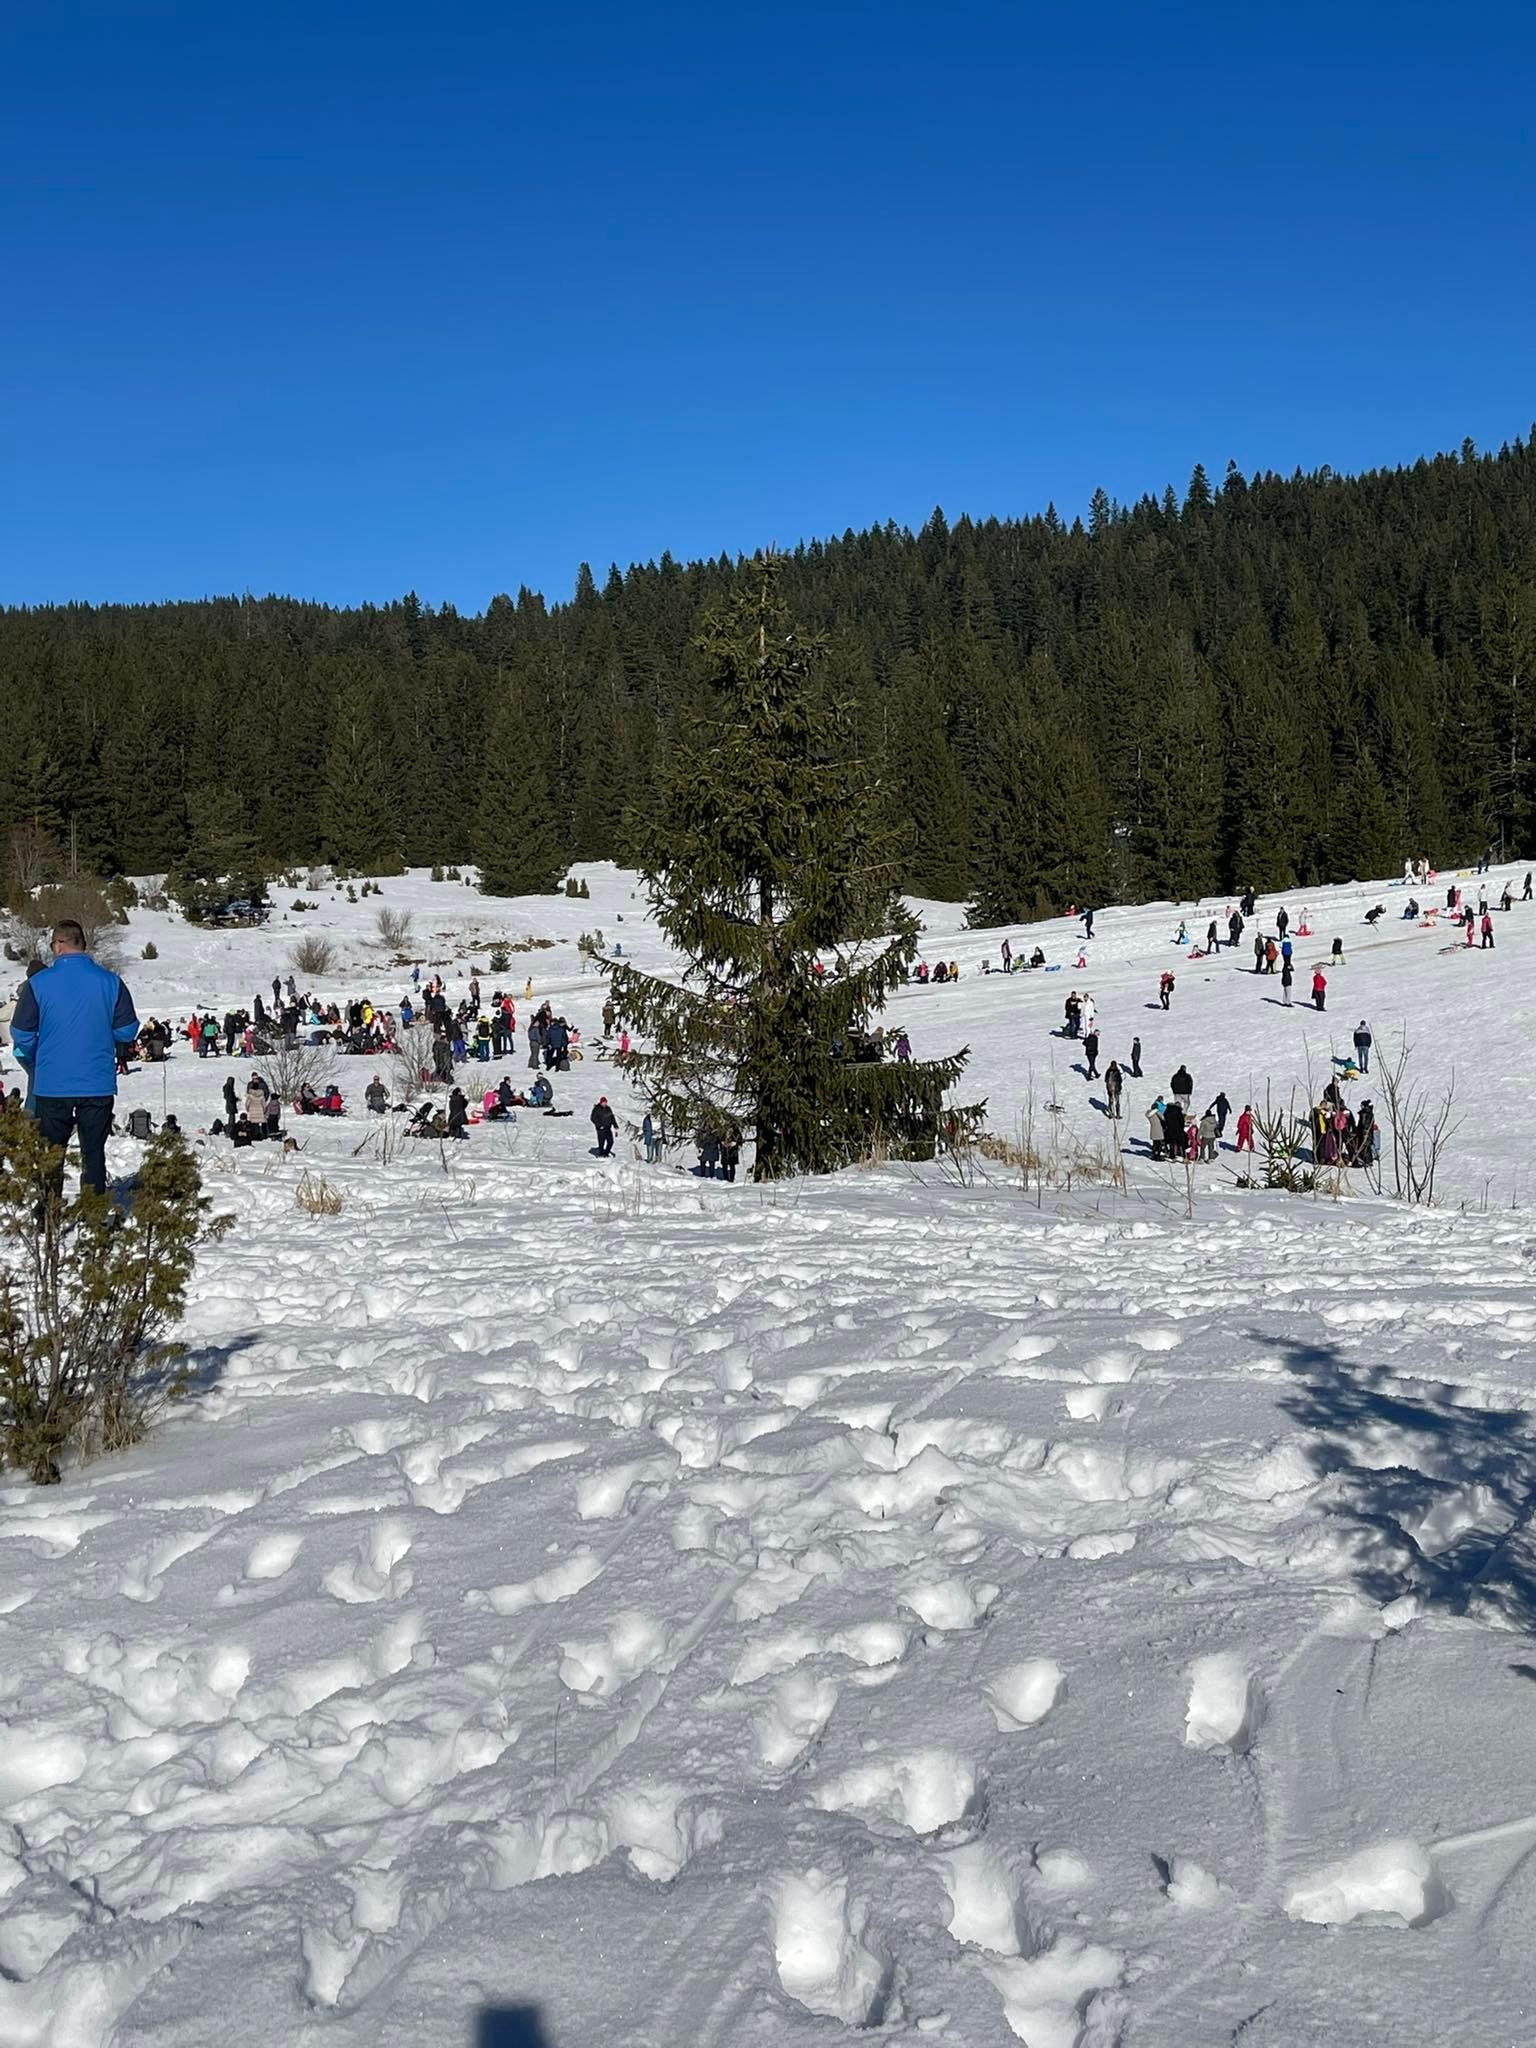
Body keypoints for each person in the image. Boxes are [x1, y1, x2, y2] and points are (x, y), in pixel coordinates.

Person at [9, 920, 140, 1199]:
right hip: (96, 1083)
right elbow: (127, 1030)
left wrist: (37, 1058)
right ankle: (93, 1212)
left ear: (58, 944)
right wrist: (108, 1043)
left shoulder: (38, 983)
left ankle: (49, 1212)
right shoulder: (111, 982)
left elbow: (21, 1032)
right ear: (83, 944)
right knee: (93, 1152)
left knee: (52, 1154)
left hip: (52, 1084)